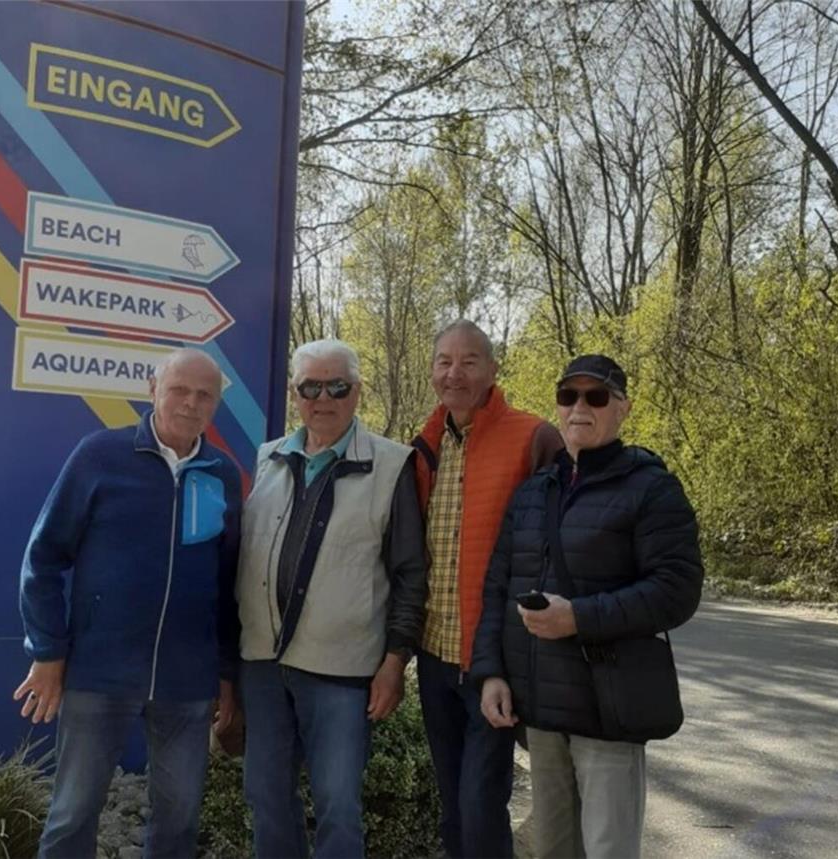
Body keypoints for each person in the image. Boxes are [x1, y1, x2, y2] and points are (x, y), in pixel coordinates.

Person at [472, 354, 703, 859]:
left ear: (623, 408)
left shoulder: (651, 488)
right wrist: (491, 673)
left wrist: (578, 617)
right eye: (568, 396)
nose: (580, 407)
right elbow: (496, 589)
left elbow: (677, 590)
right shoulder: (534, 492)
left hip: (607, 708)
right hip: (542, 712)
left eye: (596, 396)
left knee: (607, 850)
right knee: (554, 850)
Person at [15, 348, 242, 859]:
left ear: (216, 404)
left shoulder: (222, 474)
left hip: (188, 682)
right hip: (100, 672)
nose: (190, 403)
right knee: (73, 812)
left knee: (179, 818)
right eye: (180, 389)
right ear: (152, 389)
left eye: (204, 395)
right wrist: (49, 651)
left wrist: (226, 672)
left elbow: (229, 583)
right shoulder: (100, 456)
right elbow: (44, 555)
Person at [236, 338, 428, 859]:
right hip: (263, 665)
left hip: (342, 671)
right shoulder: (269, 458)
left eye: (337, 386)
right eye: (310, 387)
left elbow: (411, 575)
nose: (324, 398)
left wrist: (395, 661)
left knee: (339, 806)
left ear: (358, 391)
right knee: (266, 795)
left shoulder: (392, 465)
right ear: (295, 394)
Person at [410, 320, 562, 858]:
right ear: (432, 371)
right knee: (453, 805)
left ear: (493, 370)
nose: (455, 373)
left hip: (495, 661)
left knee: (481, 806)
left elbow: (562, 544)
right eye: (444, 361)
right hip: (433, 657)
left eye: (470, 361)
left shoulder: (532, 437)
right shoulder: (424, 448)